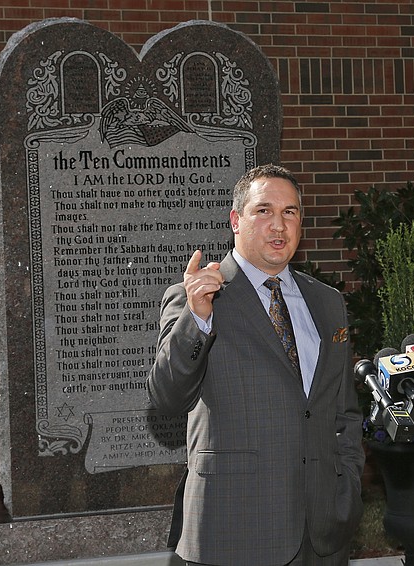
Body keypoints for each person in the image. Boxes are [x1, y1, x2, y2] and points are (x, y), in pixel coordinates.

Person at [147, 164, 364, 565]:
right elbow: (166, 397)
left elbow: (342, 411)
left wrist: (346, 483)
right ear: (236, 220)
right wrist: (197, 319)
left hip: (321, 533)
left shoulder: (328, 302)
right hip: (233, 528)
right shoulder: (195, 297)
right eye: (263, 211)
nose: (278, 226)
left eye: (290, 212)